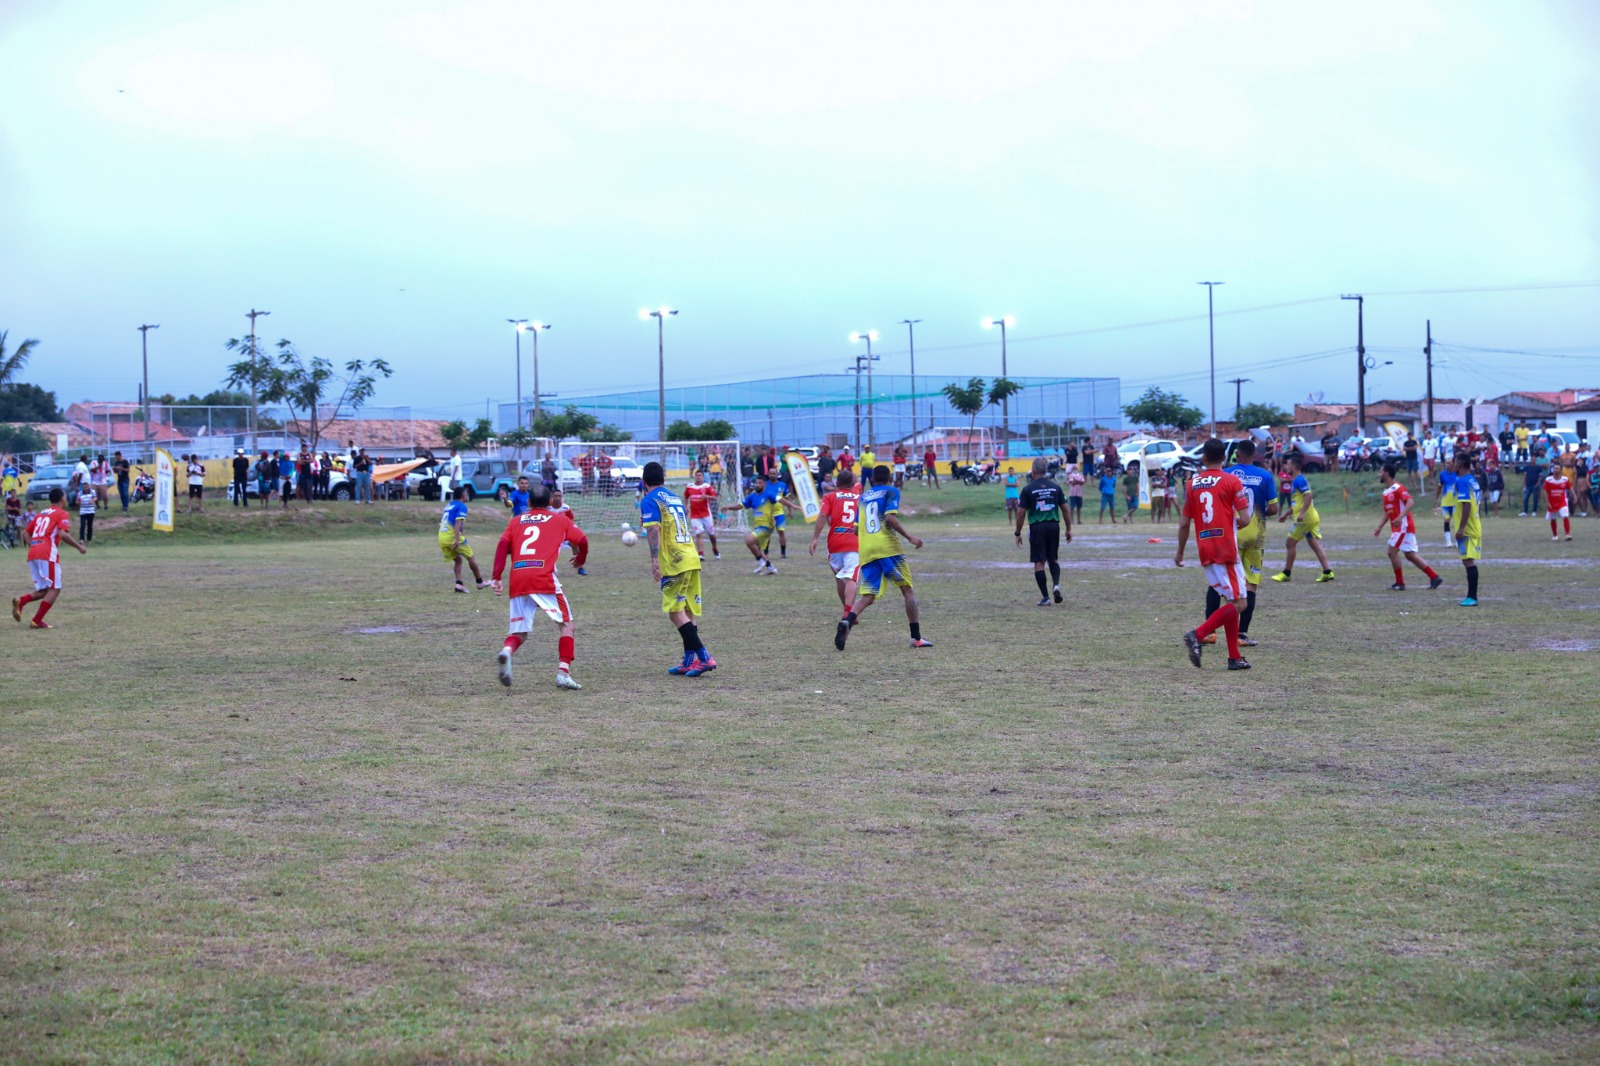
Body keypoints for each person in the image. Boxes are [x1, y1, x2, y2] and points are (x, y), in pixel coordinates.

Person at [491, 484, 588, 690]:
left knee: (520, 631)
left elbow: (502, 546)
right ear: (551, 502)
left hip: (518, 577)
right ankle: (563, 672)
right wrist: (580, 559)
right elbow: (582, 540)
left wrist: (496, 577)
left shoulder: (516, 521)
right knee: (566, 625)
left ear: (528, 503)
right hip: (543, 577)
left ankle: (507, 651)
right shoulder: (560, 519)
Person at [834, 465, 931, 651]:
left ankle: (847, 621)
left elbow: (855, 529)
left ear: (872, 480)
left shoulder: (862, 498)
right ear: (889, 478)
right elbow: (890, 519)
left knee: (868, 596)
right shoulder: (891, 491)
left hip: (867, 550)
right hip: (888, 549)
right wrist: (911, 538)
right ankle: (916, 638)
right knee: (907, 590)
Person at [1176, 439, 1253, 671]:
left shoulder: (1193, 483)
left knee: (1231, 600)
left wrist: (1179, 552)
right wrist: (1234, 523)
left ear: (1204, 458)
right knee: (1240, 602)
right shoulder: (1232, 480)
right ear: (1225, 458)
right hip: (1225, 547)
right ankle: (1197, 634)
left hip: (1205, 548)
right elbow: (1246, 518)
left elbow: (1184, 522)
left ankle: (1234, 657)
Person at [640, 461, 715, 676]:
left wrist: (655, 559)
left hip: (674, 561)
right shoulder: (673, 497)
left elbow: (654, 529)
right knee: (688, 610)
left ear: (644, 482)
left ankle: (704, 657)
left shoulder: (649, 500)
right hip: (691, 556)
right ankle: (689, 660)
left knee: (675, 613)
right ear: (663, 480)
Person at [1223, 439, 1277, 647]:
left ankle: (1216, 630)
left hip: (1231, 534)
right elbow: (1273, 509)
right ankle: (1242, 634)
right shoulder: (1265, 476)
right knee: (1251, 584)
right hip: (1255, 536)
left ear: (1237, 454)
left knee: (1226, 585)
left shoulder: (1227, 474)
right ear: (1255, 455)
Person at [12, 487, 87, 629]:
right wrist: (79, 547)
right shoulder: (61, 513)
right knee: (55, 589)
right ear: (62, 499)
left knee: (45, 590)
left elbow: (25, 534)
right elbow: (63, 534)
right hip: (47, 554)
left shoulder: (41, 514)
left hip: (33, 553)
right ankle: (37, 620)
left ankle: (21, 601)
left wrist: (34, 546)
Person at [1374, 462, 1443, 591]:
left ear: (1387, 473)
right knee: (1410, 555)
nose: (1379, 474)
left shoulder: (1398, 488)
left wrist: (1400, 517)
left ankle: (1400, 583)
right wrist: (1379, 527)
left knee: (1391, 552)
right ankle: (1434, 577)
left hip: (1403, 526)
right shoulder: (1386, 492)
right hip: (1401, 527)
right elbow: (1387, 512)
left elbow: (1410, 502)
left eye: (1380, 472)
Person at [1013, 457, 1069, 606]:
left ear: (1033, 471)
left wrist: (1017, 533)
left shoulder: (1028, 489)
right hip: (1053, 526)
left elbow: (1020, 513)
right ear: (1045, 471)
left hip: (1038, 527)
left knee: (1039, 562)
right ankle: (1056, 584)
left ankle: (1046, 597)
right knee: (1053, 559)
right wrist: (1068, 529)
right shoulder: (1055, 487)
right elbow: (1065, 510)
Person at [1270, 454, 1333, 583]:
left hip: (1305, 519)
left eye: (1287, 464)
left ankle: (1286, 573)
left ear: (1293, 466)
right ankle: (1328, 572)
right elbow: (1297, 503)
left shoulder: (1299, 480)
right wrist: (1286, 514)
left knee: (1290, 542)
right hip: (1310, 518)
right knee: (1314, 543)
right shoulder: (1296, 480)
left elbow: (1308, 496)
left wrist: (1302, 513)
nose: (1285, 466)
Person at [810, 467, 861, 612]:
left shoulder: (830, 497)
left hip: (835, 542)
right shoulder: (859, 497)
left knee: (839, 578)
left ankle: (847, 609)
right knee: (851, 577)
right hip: (854, 541)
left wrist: (815, 538)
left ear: (837, 483)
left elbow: (822, 516)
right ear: (852, 483)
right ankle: (849, 611)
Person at [438, 486, 491, 593]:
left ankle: (459, 584)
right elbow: (457, 522)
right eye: (466, 493)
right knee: (471, 557)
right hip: (451, 536)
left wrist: (461, 529)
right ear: (463, 495)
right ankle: (479, 582)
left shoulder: (450, 504)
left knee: (458, 560)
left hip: (442, 537)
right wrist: (457, 540)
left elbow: (452, 520)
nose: (467, 495)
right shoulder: (462, 506)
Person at [721, 472, 778, 574]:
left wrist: (793, 507)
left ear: (765, 484)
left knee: (749, 540)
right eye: (756, 483)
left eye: (760, 483)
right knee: (758, 548)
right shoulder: (752, 497)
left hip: (767, 526)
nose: (757, 485)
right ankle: (771, 568)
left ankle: (761, 561)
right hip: (759, 526)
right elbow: (740, 506)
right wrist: (729, 507)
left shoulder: (769, 495)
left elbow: (780, 503)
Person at [1451, 454, 1483, 607]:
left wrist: (1461, 527)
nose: (1453, 464)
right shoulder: (1472, 480)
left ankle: (1472, 597)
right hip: (1474, 524)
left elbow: (1467, 504)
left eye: (1455, 462)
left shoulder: (1462, 481)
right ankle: (1471, 596)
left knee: (1468, 561)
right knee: (1468, 561)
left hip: (1468, 528)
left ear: (1460, 464)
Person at [683, 467, 720, 560]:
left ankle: (714, 548)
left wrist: (706, 496)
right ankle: (701, 554)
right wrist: (686, 507)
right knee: (699, 534)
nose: (698, 477)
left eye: (700, 475)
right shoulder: (690, 486)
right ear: (694, 477)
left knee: (711, 534)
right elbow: (686, 497)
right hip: (695, 515)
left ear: (703, 477)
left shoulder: (707, 486)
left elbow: (715, 497)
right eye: (697, 475)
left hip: (706, 514)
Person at [1543, 465, 1573, 541]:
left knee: (1565, 516)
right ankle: (1555, 535)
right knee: (1553, 519)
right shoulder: (1548, 479)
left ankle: (1567, 534)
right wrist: (1547, 502)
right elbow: (1545, 491)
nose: (1556, 470)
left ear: (1561, 470)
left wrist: (1574, 496)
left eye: (1557, 468)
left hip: (1562, 501)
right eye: (1554, 468)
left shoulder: (1565, 479)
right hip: (1552, 502)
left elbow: (1570, 488)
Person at [1438, 461, 1458, 547]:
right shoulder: (1442, 474)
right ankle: (1448, 542)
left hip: (1456, 501)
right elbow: (1440, 486)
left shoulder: (1458, 474)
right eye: (1446, 463)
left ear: (1453, 464)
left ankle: (1458, 541)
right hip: (1446, 501)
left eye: (1449, 463)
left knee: (1457, 521)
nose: (1447, 465)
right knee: (1447, 520)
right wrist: (1436, 499)